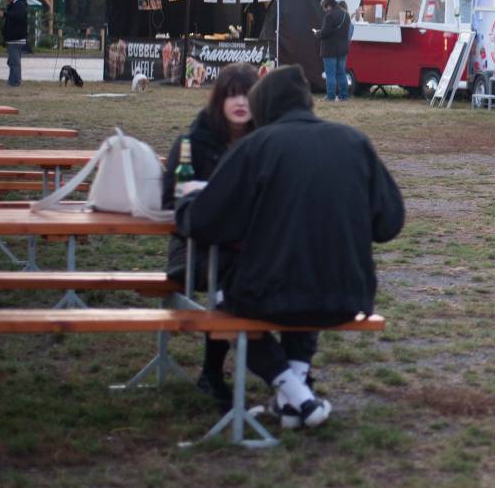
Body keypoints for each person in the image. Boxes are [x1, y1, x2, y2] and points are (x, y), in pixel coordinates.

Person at [174, 65, 405, 429]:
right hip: (349, 295)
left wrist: (186, 203)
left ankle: (296, 395)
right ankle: (295, 402)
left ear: (262, 108)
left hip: (269, 293)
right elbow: (390, 223)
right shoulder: (354, 142)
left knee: (225, 305)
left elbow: (206, 223)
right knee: (304, 284)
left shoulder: (255, 147)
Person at [162, 62, 261, 412]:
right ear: (218, 99)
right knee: (232, 277)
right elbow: (170, 203)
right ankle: (213, 373)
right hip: (193, 252)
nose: (239, 102)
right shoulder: (192, 143)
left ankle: (291, 370)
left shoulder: (263, 143)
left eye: (247, 95)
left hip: (248, 251)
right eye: (231, 95)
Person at [317, 0, 350, 101]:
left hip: (330, 49)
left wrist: (318, 33)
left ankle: (331, 96)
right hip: (343, 49)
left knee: (330, 74)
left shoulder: (329, 16)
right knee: (342, 73)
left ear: (329, 6)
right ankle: (344, 96)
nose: (324, 10)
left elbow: (325, 33)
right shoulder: (346, 15)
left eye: (324, 7)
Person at [0, 0, 29, 86]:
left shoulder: (19, 4)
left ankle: (15, 82)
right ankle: (12, 81)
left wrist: (4, 14)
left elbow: (18, 16)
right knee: (12, 62)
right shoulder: (15, 4)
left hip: (16, 39)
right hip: (13, 38)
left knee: (15, 62)